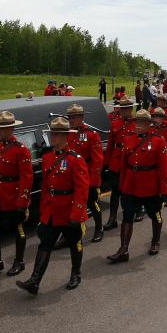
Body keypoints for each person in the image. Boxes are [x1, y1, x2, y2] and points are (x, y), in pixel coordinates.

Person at [16, 116, 89, 293]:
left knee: (74, 243)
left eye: (57, 134)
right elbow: (46, 187)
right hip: (52, 210)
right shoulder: (48, 157)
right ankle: (34, 281)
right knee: (45, 243)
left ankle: (75, 274)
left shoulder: (75, 159)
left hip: (69, 209)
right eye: (52, 133)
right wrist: (43, 212)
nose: (53, 137)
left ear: (65, 137)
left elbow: (82, 189)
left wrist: (76, 213)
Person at [107, 110, 167, 263]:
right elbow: (123, 165)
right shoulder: (128, 139)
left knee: (155, 214)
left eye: (142, 122)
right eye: (137, 122)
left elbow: (164, 168)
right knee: (127, 217)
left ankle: (155, 241)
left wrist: (165, 190)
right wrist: (122, 185)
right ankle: (123, 249)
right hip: (131, 184)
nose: (138, 125)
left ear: (149, 125)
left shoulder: (158, 140)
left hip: (150, 186)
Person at [0, 111, 33, 277]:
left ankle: (19, 261)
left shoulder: (21, 150)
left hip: (13, 193)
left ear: (11, 129)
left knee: (18, 228)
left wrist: (22, 200)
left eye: (3, 129)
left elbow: (26, 178)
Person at [66, 104, 105, 243]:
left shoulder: (91, 135)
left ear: (81, 117)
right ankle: (68, 235)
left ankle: (99, 228)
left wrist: (94, 181)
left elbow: (97, 160)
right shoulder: (67, 134)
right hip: (71, 177)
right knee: (71, 206)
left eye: (74, 117)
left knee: (92, 204)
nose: (71, 120)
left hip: (87, 176)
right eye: (70, 117)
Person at [102, 98, 137, 231]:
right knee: (115, 191)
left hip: (130, 161)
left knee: (130, 191)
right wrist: (107, 162)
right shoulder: (115, 123)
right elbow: (110, 144)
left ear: (131, 109)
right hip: (117, 161)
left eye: (126, 108)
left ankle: (135, 211)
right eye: (122, 108)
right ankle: (112, 218)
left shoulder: (137, 124)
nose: (123, 111)